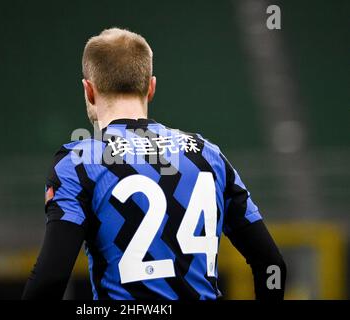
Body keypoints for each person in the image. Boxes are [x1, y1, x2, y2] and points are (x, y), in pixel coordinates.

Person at [22, 28, 286, 300]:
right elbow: (271, 265)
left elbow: (50, 279)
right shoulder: (208, 155)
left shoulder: (79, 163)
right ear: (151, 87)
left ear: (89, 90)